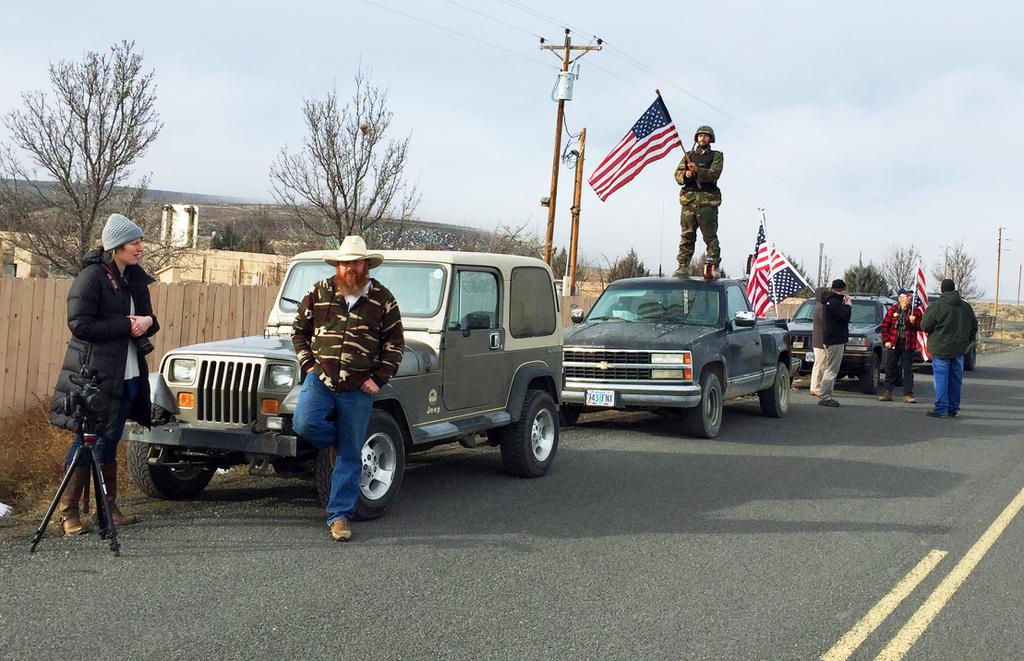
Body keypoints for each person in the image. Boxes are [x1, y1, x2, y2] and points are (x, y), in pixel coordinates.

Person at [50, 213, 159, 535]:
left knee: (110, 438)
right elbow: (80, 324)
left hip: (127, 373)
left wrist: (148, 322)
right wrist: (126, 324)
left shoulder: (135, 279)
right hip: (95, 374)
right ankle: (68, 512)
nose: (140, 247)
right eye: (134, 241)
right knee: (86, 438)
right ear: (116, 246)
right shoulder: (92, 277)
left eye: (140, 241)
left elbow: (147, 317)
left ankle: (108, 508)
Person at [291, 236, 405, 542]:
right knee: (304, 423)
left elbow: (395, 345)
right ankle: (339, 443)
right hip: (321, 380)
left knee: (352, 453)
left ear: (366, 265)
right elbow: (298, 332)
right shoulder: (319, 292)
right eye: (345, 263)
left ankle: (339, 516)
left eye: (355, 262)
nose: (350, 268)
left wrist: (379, 378)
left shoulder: (383, 299)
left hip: (358, 386)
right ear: (337, 266)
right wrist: (309, 365)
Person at [921, 278, 977, 418]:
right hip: (959, 349)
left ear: (942, 290)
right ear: (954, 289)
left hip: (940, 348)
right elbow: (974, 327)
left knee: (941, 378)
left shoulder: (937, 306)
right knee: (955, 379)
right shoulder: (965, 306)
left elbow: (925, 325)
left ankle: (941, 408)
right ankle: (953, 407)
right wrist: (966, 342)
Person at [673, 125, 724, 277]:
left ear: (710, 139)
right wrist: (686, 175)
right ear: (696, 138)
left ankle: (714, 266)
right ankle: (683, 266)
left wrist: (698, 171)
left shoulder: (717, 155)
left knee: (710, 237)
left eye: (706, 136)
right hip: (688, 202)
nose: (702, 138)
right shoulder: (688, 156)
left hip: (707, 203)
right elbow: (677, 175)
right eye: (700, 136)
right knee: (686, 235)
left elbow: (714, 174)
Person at [810, 279, 852, 407]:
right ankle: (825, 396)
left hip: (829, 339)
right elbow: (844, 317)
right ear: (842, 290)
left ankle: (824, 393)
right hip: (835, 339)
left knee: (826, 367)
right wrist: (848, 305)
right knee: (831, 369)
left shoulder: (827, 301)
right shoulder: (833, 302)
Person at [878, 288, 924, 403]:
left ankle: (908, 394)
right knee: (890, 368)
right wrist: (886, 340)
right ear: (900, 298)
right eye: (906, 296)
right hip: (894, 343)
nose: (909, 298)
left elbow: (922, 326)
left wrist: (913, 322)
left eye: (909, 296)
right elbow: (884, 327)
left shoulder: (915, 311)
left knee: (907, 369)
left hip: (908, 344)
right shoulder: (892, 310)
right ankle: (888, 392)